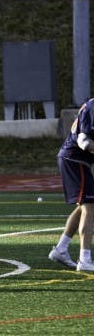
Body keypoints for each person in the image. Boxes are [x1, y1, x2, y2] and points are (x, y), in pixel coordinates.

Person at [52, 97, 94, 271]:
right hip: (75, 159)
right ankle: (85, 259)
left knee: (84, 206)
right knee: (89, 206)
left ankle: (61, 249)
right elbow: (84, 141)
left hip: (78, 160)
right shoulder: (93, 106)